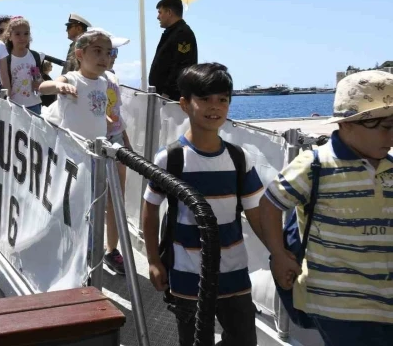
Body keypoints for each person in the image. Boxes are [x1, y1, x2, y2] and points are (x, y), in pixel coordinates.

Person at [258, 70, 393, 346]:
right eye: (385, 126)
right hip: (336, 303)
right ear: (347, 124)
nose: (391, 136)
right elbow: (269, 204)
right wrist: (279, 255)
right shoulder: (315, 164)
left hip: (385, 302)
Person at [141, 63, 264, 346]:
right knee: (194, 341)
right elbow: (150, 208)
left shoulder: (239, 158)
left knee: (244, 339)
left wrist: (278, 253)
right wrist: (154, 261)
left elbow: (256, 213)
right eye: (205, 99)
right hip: (187, 273)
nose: (215, 106)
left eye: (223, 99)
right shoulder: (170, 158)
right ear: (185, 104)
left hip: (234, 270)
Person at [87, 27, 132, 276]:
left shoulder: (112, 79)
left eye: (112, 52)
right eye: (103, 51)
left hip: (114, 142)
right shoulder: (82, 79)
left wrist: (126, 142)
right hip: (91, 143)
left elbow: (117, 115)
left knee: (116, 199)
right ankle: (87, 249)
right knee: (90, 198)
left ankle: (111, 249)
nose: (110, 57)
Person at [39, 29, 111, 141]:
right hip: (71, 145)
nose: (104, 58)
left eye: (108, 53)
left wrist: (103, 117)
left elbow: (90, 106)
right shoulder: (72, 78)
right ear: (80, 54)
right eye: (98, 51)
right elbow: (43, 87)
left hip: (95, 144)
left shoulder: (103, 82)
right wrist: (58, 86)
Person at [148, 0, 198, 101]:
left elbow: (181, 67)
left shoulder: (182, 34)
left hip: (171, 99)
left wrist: (167, 94)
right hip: (165, 97)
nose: (158, 17)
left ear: (169, 12)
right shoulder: (173, 33)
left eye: (160, 12)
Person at [1, 17, 45, 114]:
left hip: (34, 105)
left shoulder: (35, 56)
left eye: (26, 33)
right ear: (9, 36)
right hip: (14, 106)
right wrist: (4, 105)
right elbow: (5, 84)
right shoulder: (6, 58)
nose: (22, 38)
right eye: (17, 34)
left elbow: (39, 79)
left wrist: (39, 83)